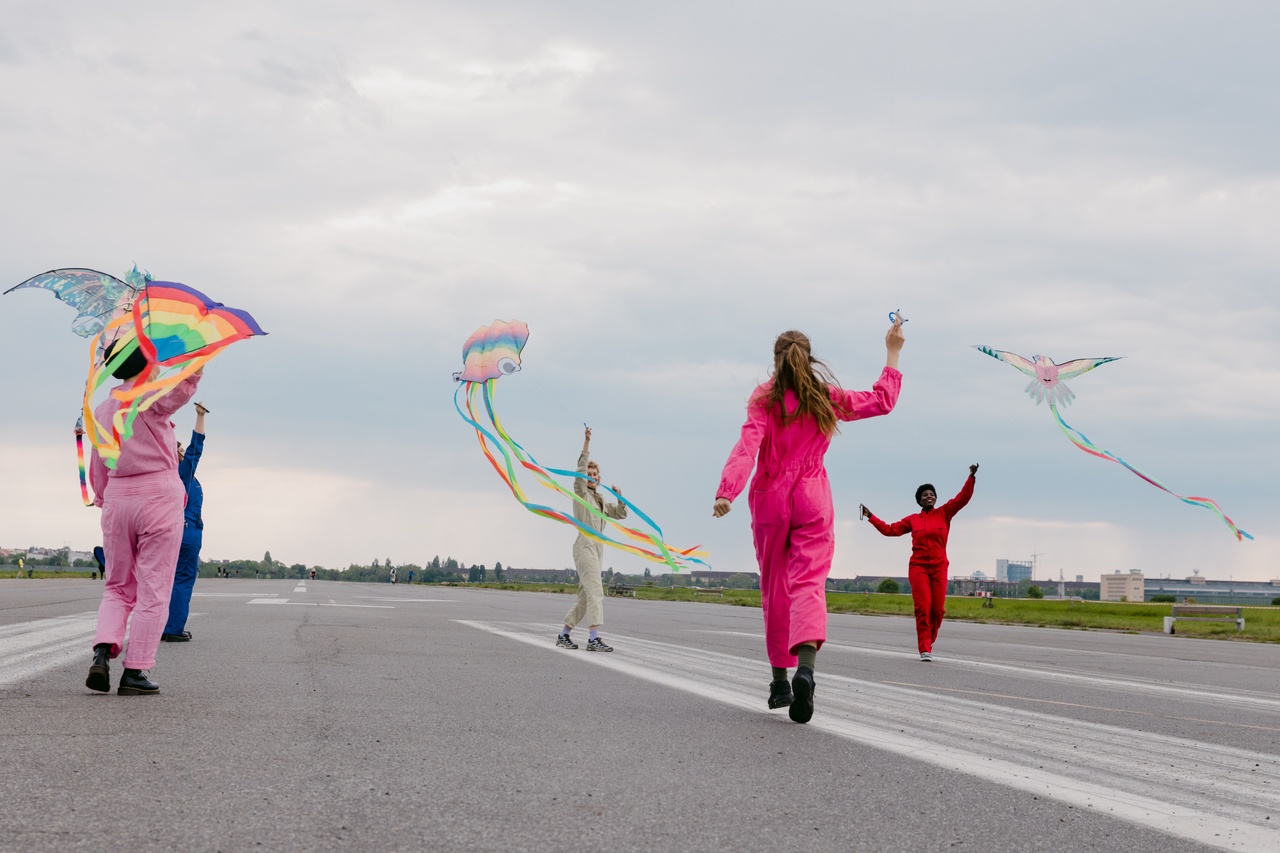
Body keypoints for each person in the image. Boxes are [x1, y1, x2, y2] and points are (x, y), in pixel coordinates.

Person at [714, 321, 904, 724]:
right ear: (809, 357)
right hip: (812, 496)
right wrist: (892, 351)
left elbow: (748, 445)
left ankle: (780, 682)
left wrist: (726, 491)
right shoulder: (824, 396)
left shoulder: (764, 398)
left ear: (775, 360)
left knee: (775, 588)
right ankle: (806, 670)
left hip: (770, 498)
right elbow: (881, 401)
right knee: (808, 584)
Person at [85, 342, 203, 696]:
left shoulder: (103, 409)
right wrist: (198, 359)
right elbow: (181, 391)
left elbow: (98, 460)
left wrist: (104, 496)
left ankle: (103, 650)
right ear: (146, 364)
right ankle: (135, 669)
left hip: (118, 498)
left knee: (118, 585)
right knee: (154, 587)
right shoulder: (148, 398)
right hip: (157, 498)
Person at [862, 464, 978, 661]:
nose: (929, 496)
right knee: (923, 608)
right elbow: (890, 530)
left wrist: (971, 477)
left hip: (940, 567)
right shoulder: (913, 520)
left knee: (938, 610)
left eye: (931, 494)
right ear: (919, 500)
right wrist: (871, 516)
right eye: (925, 495)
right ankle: (925, 648)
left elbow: (962, 498)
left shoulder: (945, 512)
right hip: (919, 568)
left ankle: (929, 640)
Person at [557, 426, 626, 652]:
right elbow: (579, 472)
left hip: (597, 549)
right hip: (584, 546)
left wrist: (620, 497)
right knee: (597, 592)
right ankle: (594, 638)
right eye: (589, 474)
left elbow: (621, 514)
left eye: (595, 475)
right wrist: (586, 443)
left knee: (586, 597)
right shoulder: (581, 494)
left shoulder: (602, 502)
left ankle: (563, 635)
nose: (592, 477)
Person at [161, 401, 209, 643]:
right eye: (178, 449)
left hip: (168, 530)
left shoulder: (162, 473)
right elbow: (196, 447)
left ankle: (162, 624)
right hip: (187, 531)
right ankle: (173, 627)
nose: (182, 451)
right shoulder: (182, 470)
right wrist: (200, 416)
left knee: (167, 579)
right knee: (183, 579)